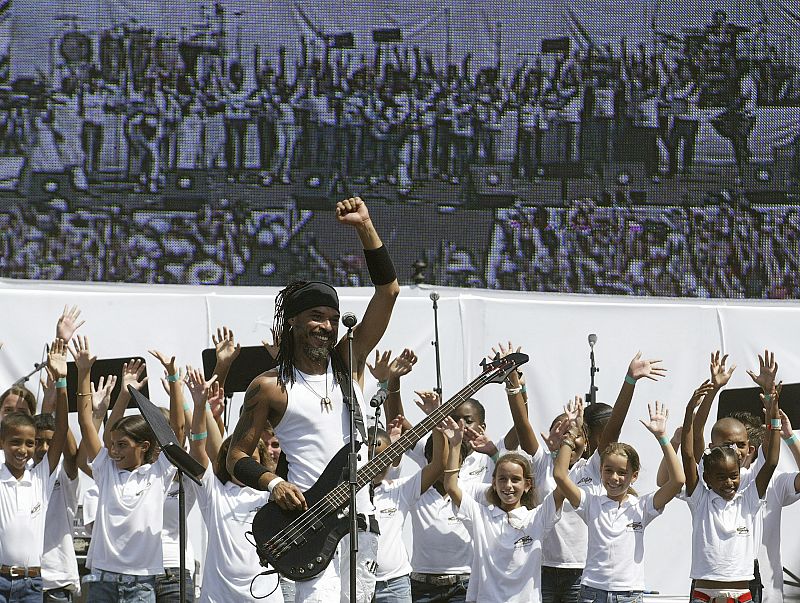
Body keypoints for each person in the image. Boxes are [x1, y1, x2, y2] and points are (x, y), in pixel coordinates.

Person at [226, 196, 399, 603]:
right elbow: (234, 458)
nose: (327, 326)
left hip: (360, 526)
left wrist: (365, 227)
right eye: (317, 317)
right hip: (308, 524)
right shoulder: (270, 386)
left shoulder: (349, 363)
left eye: (333, 319)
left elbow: (388, 292)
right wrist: (273, 483)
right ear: (294, 322)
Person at [72, 336, 175, 603]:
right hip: (102, 578)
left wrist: (174, 382)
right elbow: (86, 422)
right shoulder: (106, 469)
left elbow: (176, 434)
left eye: (122, 445)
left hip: (142, 583)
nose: (114, 450)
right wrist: (83, 372)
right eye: (113, 445)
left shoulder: (158, 474)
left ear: (144, 446)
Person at [554, 397, 686, 603]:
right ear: (600, 471)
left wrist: (663, 438)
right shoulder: (591, 503)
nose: (614, 478)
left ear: (634, 476)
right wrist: (572, 431)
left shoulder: (642, 507)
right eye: (608, 470)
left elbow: (677, 480)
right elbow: (560, 476)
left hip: (629, 595)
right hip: (591, 592)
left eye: (622, 472)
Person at [681, 379, 784, 603]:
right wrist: (689, 411)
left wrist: (773, 413)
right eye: (721, 477)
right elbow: (688, 455)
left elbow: (771, 461)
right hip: (703, 594)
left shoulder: (748, 497)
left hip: (742, 594)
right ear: (706, 476)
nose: (729, 482)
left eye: (733, 476)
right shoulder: (700, 499)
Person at [185, 368, 282, 603]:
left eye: (253, 461)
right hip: (218, 597)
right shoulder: (214, 493)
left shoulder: (271, 497)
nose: (245, 467)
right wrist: (199, 405)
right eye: (240, 460)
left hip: (265, 597)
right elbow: (198, 448)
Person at [442, 412, 562, 603]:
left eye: (516, 480)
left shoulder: (537, 517)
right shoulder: (480, 515)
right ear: (494, 483)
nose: (508, 486)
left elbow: (561, 482)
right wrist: (455, 445)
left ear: (527, 485)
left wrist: (561, 450)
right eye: (502, 479)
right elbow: (451, 486)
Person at [0, 339, 69, 603]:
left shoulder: (40, 477)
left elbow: (61, 430)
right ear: (1, 443)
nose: (23, 449)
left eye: (30, 443)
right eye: (15, 442)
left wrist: (62, 382)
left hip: (32, 584)